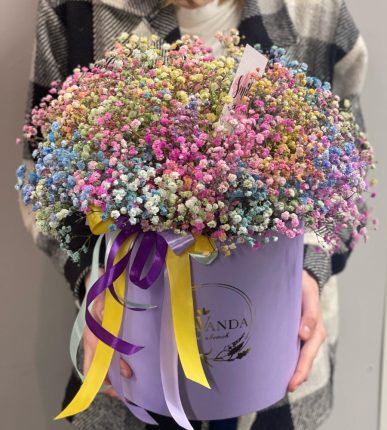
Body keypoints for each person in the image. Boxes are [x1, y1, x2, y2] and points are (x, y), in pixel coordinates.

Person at [19, 0, 367, 429]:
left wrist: (309, 270)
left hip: (276, 361)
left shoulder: (318, 11)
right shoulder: (73, 9)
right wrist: (95, 281)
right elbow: (42, 180)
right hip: (131, 356)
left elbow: (348, 174)